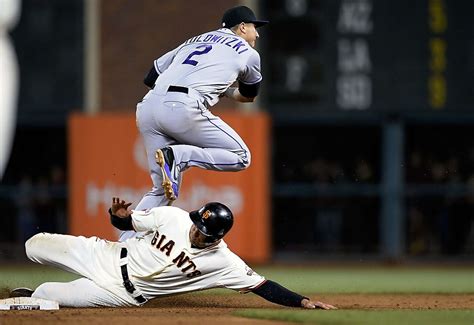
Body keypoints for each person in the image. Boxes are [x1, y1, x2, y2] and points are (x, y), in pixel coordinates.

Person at [10, 197, 336, 310]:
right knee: (34, 245)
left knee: (47, 293)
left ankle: (33, 297)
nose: (197, 230)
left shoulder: (223, 262)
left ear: (217, 237)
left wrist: (303, 301)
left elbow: (263, 286)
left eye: (205, 232)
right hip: (105, 254)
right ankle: (36, 292)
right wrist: (118, 216)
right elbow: (126, 221)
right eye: (198, 224)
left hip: (118, 293)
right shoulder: (174, 216)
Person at [120, 6, 269, 242]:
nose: (257, 34)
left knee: (161, 190)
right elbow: (248, 95)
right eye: (254, 27)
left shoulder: (192, 41)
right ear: (242, 27)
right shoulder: (249, 53)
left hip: (148, 107)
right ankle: (179, 156)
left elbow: (151, 76)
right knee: (241, 156)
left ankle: (123, 246)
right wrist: (225, 91)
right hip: (183, 106)